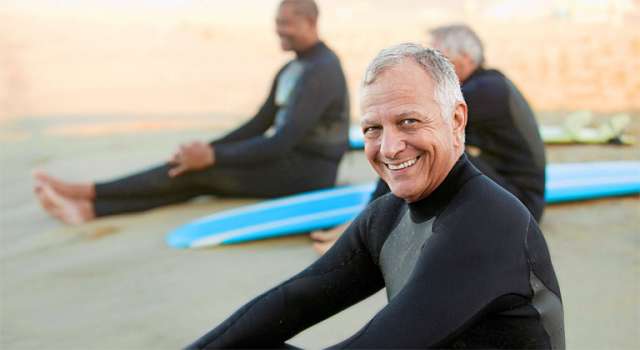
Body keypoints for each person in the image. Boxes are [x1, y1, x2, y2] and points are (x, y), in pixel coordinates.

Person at [186, 44, 564, 349]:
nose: (389, 147)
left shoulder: (488, 227)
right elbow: (293, 302)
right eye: (372, 129)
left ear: (457, 120)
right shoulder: (386, 217)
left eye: (408, 121)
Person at [33, 0, 350, 225]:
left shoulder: (321, 70)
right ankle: (89, 209)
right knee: (195, 175)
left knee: (199, 173)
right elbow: (259, 123)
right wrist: (209, 149)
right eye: (276, 23)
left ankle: (85, 192)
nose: (279, 30)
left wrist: (213, 158)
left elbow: (281, 141)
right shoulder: (294, 67)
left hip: (309, 173)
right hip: (288, 162)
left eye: (285, 23)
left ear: (309, 23)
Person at [312, 24, 547, 254]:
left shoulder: (485, 90)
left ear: (465, 58)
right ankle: (362, 225)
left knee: (409, 151)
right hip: (511, 190)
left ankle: (361, 233)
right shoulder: (490, 82)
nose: (430, 68)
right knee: (405, 147)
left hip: (522, 204)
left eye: (440, 59)